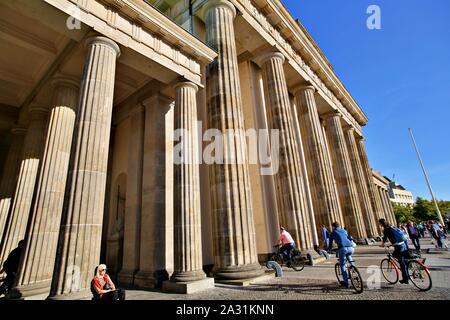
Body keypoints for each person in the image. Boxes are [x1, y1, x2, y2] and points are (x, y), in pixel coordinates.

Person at [379, 218, 409, 284]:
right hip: (404, 244)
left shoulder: (386, 229)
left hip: (398, 247)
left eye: (380, 223)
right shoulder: (392, 226)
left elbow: (384, 238)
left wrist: (382, 245)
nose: (379, 224)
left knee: (401, 262)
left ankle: (406, 279)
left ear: (381, 223)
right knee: (404, 260)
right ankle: (408, 272)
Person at [327, 221, 354, 288]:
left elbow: (330, 243)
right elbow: (350, 238)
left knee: (342, 265)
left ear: (333, 226)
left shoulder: (333, 232)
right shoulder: (344, 230)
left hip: (342, 248)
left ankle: (346, 283)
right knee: (349, 255)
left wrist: (329, 249)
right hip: (351, 247)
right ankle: (353, 268)